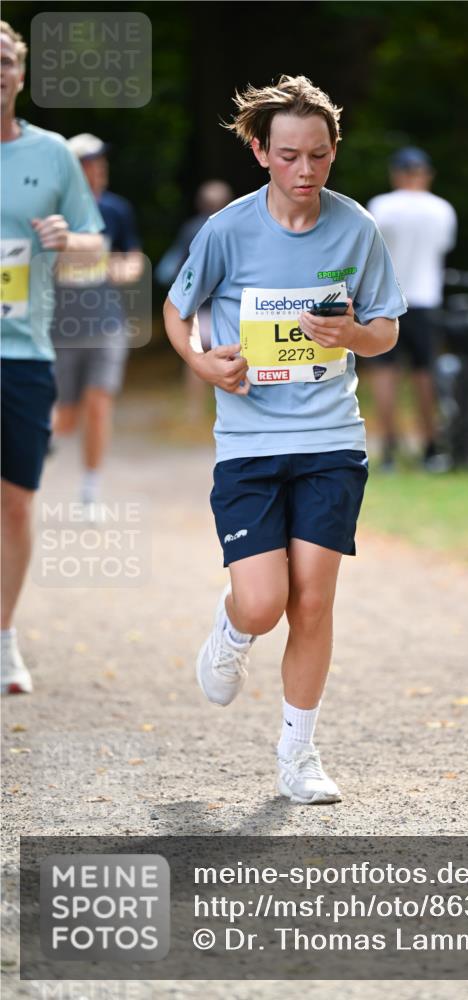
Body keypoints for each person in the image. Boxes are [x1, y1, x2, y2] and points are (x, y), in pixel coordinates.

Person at [163, 75, 406, 804]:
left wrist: (352, 334)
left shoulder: (355, 228)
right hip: (249, 443)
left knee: (312, 602)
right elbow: (178, 313)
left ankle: (298, 755)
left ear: (334, 154)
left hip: (331, 438)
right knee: (263, 602)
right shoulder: (229, 230)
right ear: (262, 152)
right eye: (291, 156)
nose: (306, 172)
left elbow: (387, 329)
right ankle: (231, 633)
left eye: (320, 156)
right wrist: (203, 361)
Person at [0, 22, 103, 694]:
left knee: (14, 502)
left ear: (21, 73)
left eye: (5, 60)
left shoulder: (54, 154)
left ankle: (4, 637)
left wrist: (70, 239)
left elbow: (97, 249)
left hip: (22, 354)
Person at [51, 133, 144, 510]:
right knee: (66, 417)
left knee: (99, 400)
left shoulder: (116, 210)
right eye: (89, 164)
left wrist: (118, 268)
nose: (98, 171)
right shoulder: (53, 214)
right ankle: (40, 450)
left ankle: (90, 490)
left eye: (101, 164)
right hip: (60, 328)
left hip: (107, 324)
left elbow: (133, 259)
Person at [366, 147, 457, 472]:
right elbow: (443, 248)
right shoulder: (442, 209)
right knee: (424, 374)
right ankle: (431, 447)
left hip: (386, 300)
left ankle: (389, 448)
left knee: (384, 373)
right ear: (425, 174)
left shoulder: (381, 206)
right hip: (425, 299)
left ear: (396, 173)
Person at [156, 181, 233, 417]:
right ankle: (229, 406)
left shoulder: (190, 228)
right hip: (226, 308)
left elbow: (175, 268)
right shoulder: (233, 227)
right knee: (231, 355)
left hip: (198, 307)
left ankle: (194, 410)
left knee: (197, 357)